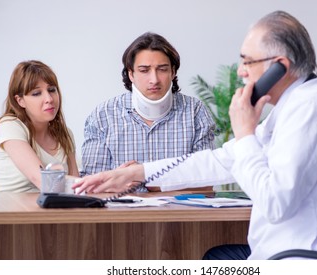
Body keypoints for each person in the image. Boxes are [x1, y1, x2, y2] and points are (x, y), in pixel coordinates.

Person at [72, 11, 317, 259]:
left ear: (279, 67)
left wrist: (245, 134)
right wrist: (140, 173)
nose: (241, 71)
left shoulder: (312, 110)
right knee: (215, 257)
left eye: (247, 61)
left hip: (316, 255)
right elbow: (220, 160)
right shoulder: (292, 109)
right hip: (298, 247)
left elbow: (275, 202)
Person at [80, 32, 216, 191]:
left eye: (162, 69)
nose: (154, 79)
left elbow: (207, 182)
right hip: (122, 215)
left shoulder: (195, 113)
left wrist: (142, 178)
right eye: (144, 70)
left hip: (179, 215)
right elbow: (91, 187)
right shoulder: (103, 116)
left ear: (173, 72)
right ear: (131, 74)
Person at [0, 60, 79, 192]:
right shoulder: (10, 125)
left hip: (50, 209)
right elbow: (43, 181)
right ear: (20, 101)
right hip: (9, 209)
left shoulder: (65, 134)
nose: (49, 99)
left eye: (52, 90)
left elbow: (76, 188)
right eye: (37, 93)